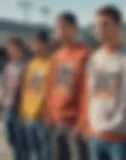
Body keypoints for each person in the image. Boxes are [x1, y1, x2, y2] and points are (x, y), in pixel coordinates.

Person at [77, 6, 126, 160]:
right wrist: (84, 122)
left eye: (105, 24)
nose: (100, 29)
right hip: (96, 136)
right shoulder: (93, 59)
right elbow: (87, 94)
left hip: (122, 140)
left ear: (118, 26)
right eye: (97, 25)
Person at [44, 12, 91, 160]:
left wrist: (82, 121)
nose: (59, 32)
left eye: (64, 27)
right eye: (57, 28)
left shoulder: (85, 54)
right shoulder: (57, 56)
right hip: (56, 121)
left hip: (75, 124)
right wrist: (48, 113)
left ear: (74, 29)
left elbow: (88, 91)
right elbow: (52, 87)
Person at [20, 31, 52, 160]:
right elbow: (26, 89)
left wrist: (49, 114)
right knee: (35, 152)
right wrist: (23, 111)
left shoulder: (52, 63)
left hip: (43, 118)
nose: (36, 47)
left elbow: (53, 92)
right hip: (30, 116)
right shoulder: (32, 64)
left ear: (46, 45)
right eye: (34, 44)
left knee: (46, 153)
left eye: (39, 44)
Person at [0, 37, 26, 160]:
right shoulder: (8, 67)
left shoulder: (25, 67)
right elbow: (4, 89)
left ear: (20, 50)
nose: (11, 52)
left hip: (18, 111)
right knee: (10, 140)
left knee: (21, 144)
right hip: (7, 110)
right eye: (9, 49)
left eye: (13, 49)